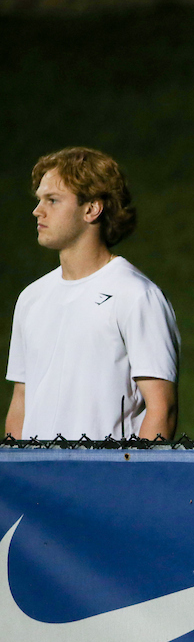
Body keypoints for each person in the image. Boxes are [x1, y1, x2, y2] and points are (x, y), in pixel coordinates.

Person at [5, 147, 180, 441]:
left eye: (53, 200)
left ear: (91, 209)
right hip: (38, 484)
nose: (37, 211)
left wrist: (130, 481)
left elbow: (162, 409)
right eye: (39, 200)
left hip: (105, 482)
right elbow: (21, 403)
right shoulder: (31, 298)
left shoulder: (136, 295)